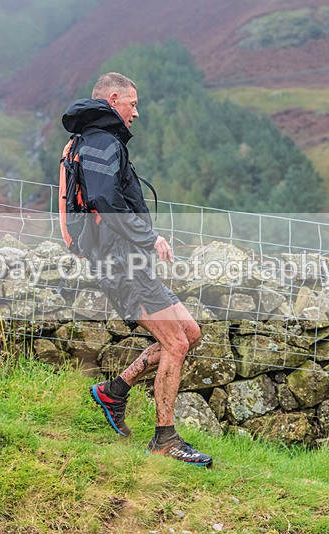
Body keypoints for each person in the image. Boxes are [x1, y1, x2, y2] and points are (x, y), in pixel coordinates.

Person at [61, 72, 213, 467]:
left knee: (190, 333)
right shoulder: (100, 140)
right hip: (120, 261)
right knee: (175, 344)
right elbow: (104, 200)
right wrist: (148, 238)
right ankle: (165, 439)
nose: (137, 113)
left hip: (130, 259)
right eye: (133, 104)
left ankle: (114, 390)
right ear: (114, 99)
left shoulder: (96, 139)